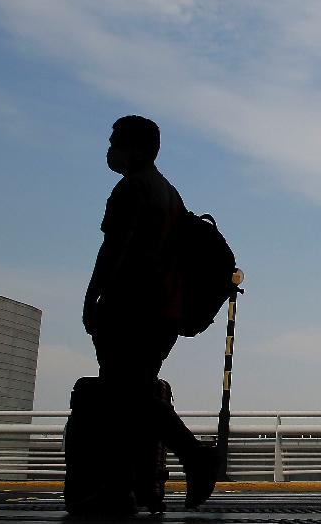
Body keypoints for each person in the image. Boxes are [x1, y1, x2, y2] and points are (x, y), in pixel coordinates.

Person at [80, 115, 217, 511]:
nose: (109, 151)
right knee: (128, 400)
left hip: (132, 309)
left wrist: (93, 299)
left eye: (114, 143)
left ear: (135, 148)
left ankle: (193, 457)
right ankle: (122, 489)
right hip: (166, 312)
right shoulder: (169, 193)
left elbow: (113, 251)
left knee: (127, 395)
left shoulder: (131, 189)